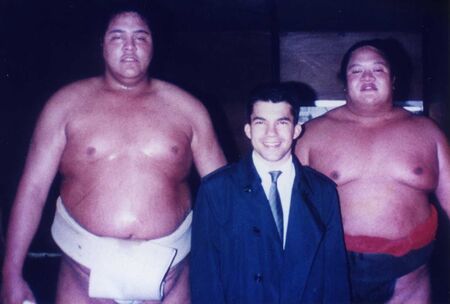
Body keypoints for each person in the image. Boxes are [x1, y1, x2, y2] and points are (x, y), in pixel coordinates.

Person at [1, 7, 226, 304]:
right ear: (102, 45)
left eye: (140, 37)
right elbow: (32, 190)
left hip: (171, 275)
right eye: (118, 37)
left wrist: (233, 272)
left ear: (153, 45)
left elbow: (225, 197)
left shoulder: (189, 109)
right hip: (82, 273)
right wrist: (10, 272)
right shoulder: (65, 105)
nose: (129, 47)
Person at [295, 39, 450, 303]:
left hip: (409, 278)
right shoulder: (311, 135)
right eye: (356, 70)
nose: (367, 77)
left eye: (378, 69)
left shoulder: (428, 132)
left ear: (393, 79)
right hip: (333, 272)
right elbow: (285, 210)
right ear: (344, 82)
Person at [190, 83, 350, 303]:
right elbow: (205, 278)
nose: (271, 133)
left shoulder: (323, 192)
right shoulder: (216, 191)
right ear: (248, 130)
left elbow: (335, 277)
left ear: (296, 130)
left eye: (281, 122)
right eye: (260, 122)